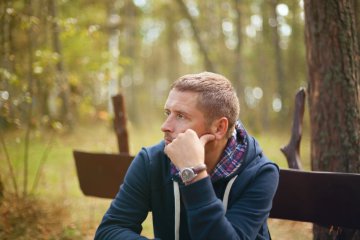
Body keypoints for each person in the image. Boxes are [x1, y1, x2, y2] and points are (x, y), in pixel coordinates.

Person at [94, 72, 279, 240]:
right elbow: (110, 231)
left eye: (181, 116)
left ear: (219, 128)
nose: (165, 126)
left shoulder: (260, 173)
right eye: (168, 113)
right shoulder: (151, 161)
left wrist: (194, 174)